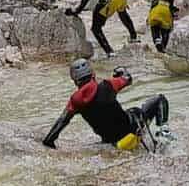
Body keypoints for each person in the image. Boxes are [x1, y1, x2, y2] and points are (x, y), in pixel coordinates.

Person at [41, 59, 170, 151]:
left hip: (112, 143)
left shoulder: (75, 102)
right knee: (159, 99)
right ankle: (164, 134)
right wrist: (121, 71)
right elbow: (128, 79)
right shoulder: (107, 86)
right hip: (132, 129)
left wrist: (48, 142)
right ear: (92, 74)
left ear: (75, 80)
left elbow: (60, 124)